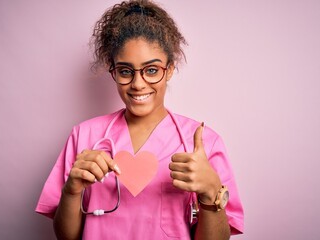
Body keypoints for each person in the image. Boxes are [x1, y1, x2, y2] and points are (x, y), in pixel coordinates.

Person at [35, 0, 244, 239]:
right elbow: (66, 237)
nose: (138, 83)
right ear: (113, 71)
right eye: (125, 71)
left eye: (152, 70)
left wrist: (210, 194)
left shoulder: (204, 143)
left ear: (170, 69)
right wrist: (72, 191)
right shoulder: (84, 137)